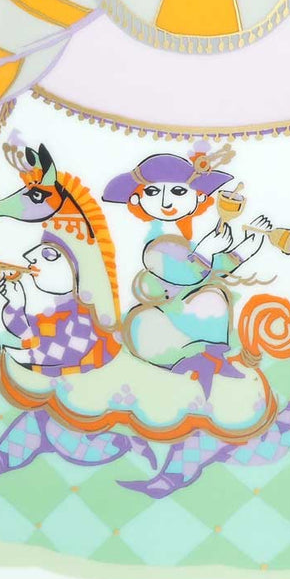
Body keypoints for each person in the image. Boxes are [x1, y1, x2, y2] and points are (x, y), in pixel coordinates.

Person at [103, 144, 269, 394]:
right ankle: (192, 361)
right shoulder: (154, 243)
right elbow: (181, 273)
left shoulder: (185, 237)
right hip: (160, 322)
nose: (166, 201)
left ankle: (207, 359)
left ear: (199, 197)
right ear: (137, 198)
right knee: (210, 298)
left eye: (179, 191)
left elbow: (208, 272)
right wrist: (204, 252)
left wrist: (242, 252)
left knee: (212, 297)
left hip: (185, 317)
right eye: (152, 192)